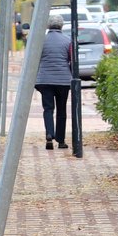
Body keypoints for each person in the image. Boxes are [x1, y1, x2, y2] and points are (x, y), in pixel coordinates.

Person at [35, 18, 74, 150]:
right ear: (61, 26)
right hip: (63, 81)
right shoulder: (68, 40)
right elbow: (72, 60)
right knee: (61, 110)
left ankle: (49, 134)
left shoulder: (41, 41)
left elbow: (35, 60)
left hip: (45, 80)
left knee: (48, 108)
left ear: (48, 26)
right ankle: (61, 140)